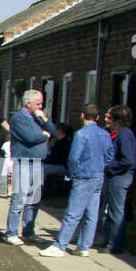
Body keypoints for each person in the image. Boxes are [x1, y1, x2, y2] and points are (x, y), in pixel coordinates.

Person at [39, 103, 113, 257]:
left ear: (82, 115)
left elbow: (73, 158)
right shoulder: (105, 134)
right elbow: (110, 155)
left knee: (73, 213)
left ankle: (60, 246)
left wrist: (73, 173)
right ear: (98, 117)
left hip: (83, 176)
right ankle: (84, 246)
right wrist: (100, 166)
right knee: (91, 214)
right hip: (98, 176)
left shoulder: (81, 134)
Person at [4, 90, 57, 244]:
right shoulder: (18, 118)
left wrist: (45, 120)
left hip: (38, 162)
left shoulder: (38, 118)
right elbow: (30, 138)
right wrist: (44, 135)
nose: (41, 106)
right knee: (19, 198)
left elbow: (54, 132)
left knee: (34, 200)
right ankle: (11, 233)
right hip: (24, 162)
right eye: (38, 104)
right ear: (28, 103)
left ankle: (28, 231)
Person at [97, 104, 136, 254]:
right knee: (110, 210)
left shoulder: (125, 134)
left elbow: (128, 160)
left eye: (110, 117)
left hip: (119, 177)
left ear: (118, 120)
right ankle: (107, 239)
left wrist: (110, 167)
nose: (107, 119)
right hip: (113, 176)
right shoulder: (115, 133)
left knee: (116, 211)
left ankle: (115, 244)